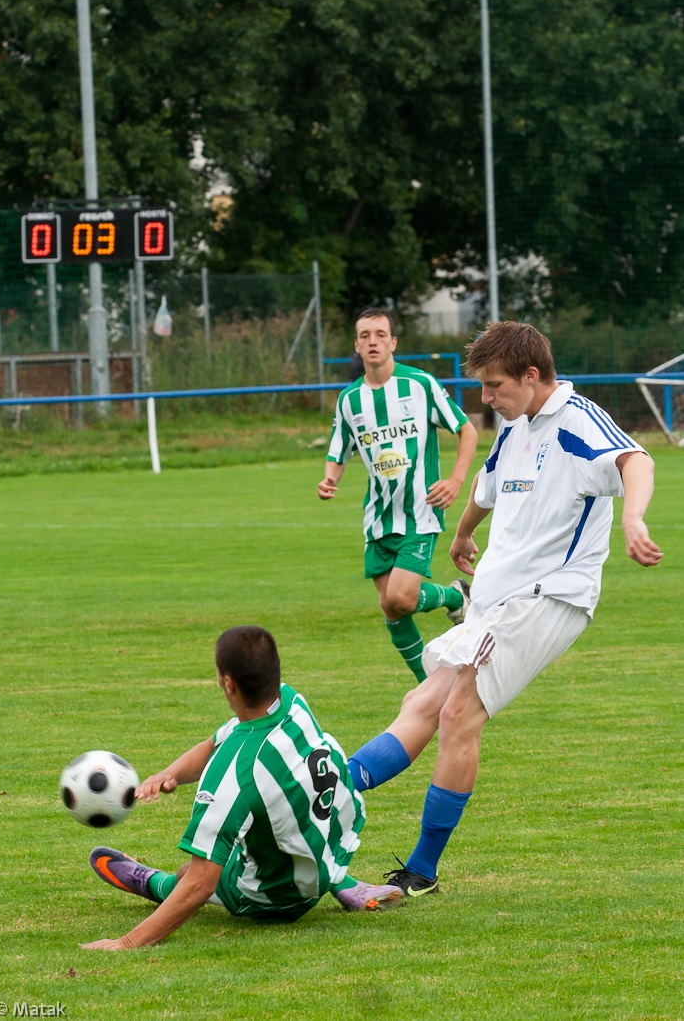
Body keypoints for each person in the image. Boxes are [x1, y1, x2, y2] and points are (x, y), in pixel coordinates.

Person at [345, 320, 663, 896]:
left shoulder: (576, 421)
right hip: (494, 602)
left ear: (532, 375)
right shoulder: (515, 429)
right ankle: (330, 791)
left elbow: (636, 462)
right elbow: (486, 487)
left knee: (458, 715)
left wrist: (634, 517)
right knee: (421, 700)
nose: (486, 398)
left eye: (494, 386)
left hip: (548, 597)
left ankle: (421, 869)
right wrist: (464, 533)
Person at [81, 625, 402, 950]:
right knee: (278, 811)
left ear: (228, 684)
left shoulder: (236, 771)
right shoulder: (291, 702)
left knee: (185, 875)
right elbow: (214, 743)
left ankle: (153, 883)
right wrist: (172, 773)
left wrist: (127, 942)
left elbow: (200, 884)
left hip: (278, 896)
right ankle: (343, 884)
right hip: (332, 839)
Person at [318, 308, 479, 683]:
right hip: (378, 517)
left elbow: (466, 430)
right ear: (356, 346)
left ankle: (456, 598)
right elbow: (337, 452)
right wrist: (329, 479)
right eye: (364, 336)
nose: (372, 341)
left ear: (393, 342)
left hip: (421, 511)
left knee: (402, 598)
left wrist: (455, 480)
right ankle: (427, 686)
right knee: (391, 608)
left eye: (379, 334)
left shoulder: (419, 385)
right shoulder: (349, 400)